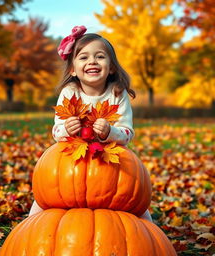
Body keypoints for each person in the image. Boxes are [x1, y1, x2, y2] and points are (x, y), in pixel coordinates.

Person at [29, 25, 152, 222]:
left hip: (110, 156)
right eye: (84, 57)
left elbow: (127, 132)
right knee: (45, 193)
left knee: (135, 194)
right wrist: (67, 129)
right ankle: (30, 226)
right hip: (72, 159)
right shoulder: (69, 92)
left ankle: (151, 234)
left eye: (100, 56)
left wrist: (109, 132)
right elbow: (57, 131)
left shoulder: (117, 93)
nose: (92, 61)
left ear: (111, 67)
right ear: (73, 69)